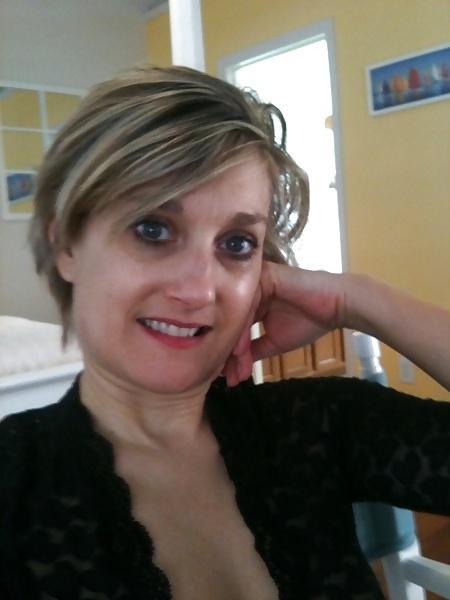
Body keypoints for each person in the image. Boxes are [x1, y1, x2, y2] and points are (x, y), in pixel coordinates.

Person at [0, 65, 449, 600]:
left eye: (237, 244)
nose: (198, 290)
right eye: (152, 229)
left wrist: (356, 299)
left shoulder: (315, 427)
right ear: (66, 246)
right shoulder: (13, 484)